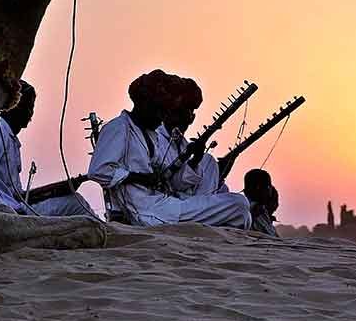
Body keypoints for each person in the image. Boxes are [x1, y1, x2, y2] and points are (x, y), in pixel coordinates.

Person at [87, 70, 252, 228]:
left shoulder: (150, 134)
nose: (162, 119)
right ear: (145, 105)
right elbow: (98, 170)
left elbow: (173, 182)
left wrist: (194, 160)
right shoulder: (119, 127)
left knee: (237, 203)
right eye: (161, 111)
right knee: (239, 205)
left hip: (166, 205)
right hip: (147, 212)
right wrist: (138, 178)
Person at [0, 80, 92, 216]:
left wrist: (50, 192)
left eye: (32, 108)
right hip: (9, 213)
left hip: (18, 207)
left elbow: (16, 194)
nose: (30, 113)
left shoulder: (11, 141)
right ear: (13, 106)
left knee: (74, 199)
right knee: (77, 204)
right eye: (27, 106)